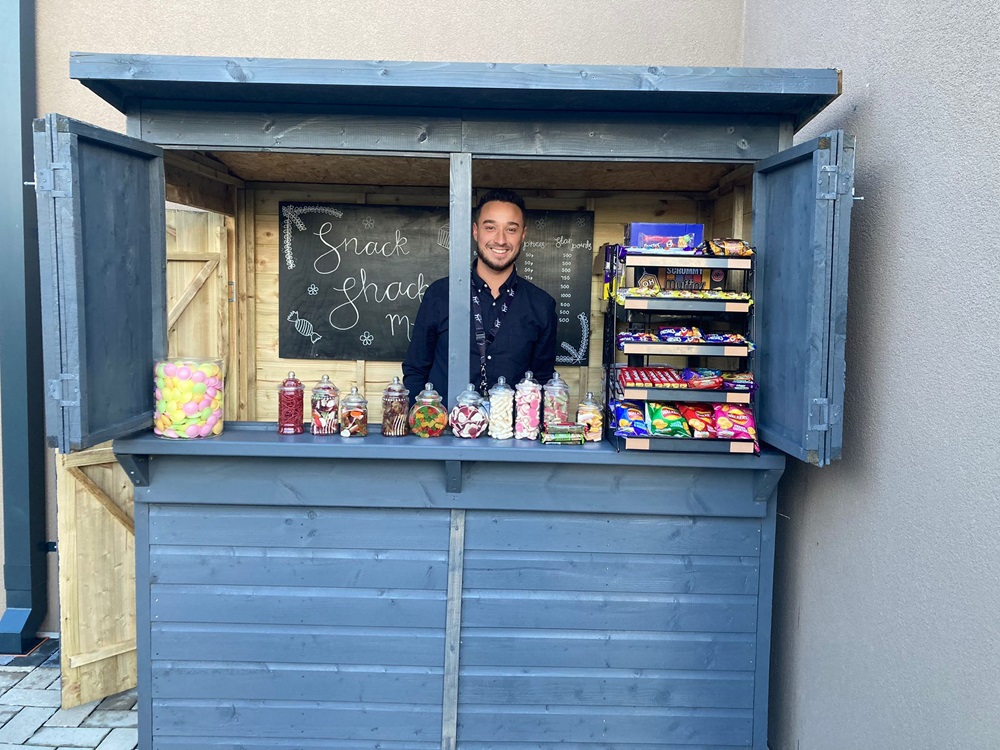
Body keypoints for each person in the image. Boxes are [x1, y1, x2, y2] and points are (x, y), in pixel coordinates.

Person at [402, 188, 557, 405]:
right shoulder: (439, 295)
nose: (500, 239)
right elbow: (415, 370)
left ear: (523, 234)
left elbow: (542, 380)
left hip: (512, 433)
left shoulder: (542, 305)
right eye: (490, 227)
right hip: (444, 433)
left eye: (511, 229)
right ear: (476, 231)